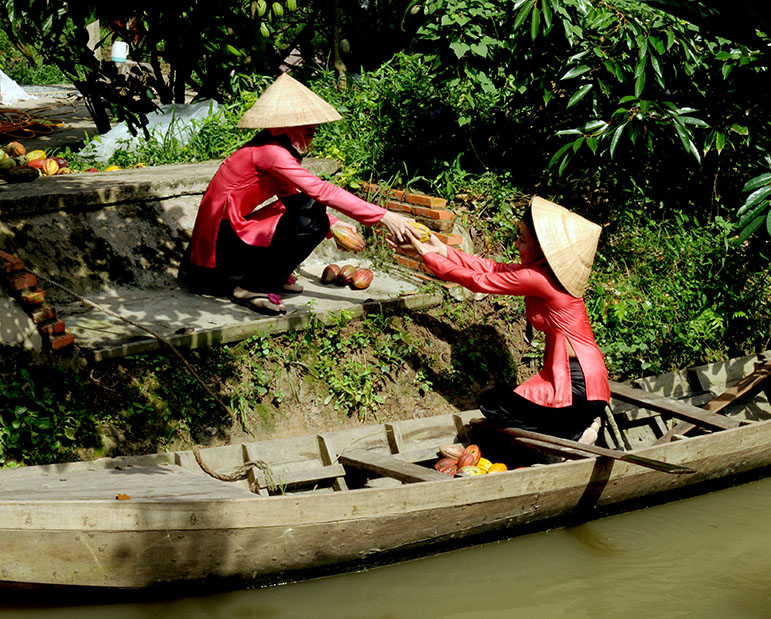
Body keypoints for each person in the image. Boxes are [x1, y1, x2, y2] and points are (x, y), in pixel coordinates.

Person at [181, 72, 417, 314]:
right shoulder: (270, 153)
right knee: (310, 222)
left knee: (314, 213)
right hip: (213, 256)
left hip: (226, 242)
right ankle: (251, 287)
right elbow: (321, 189)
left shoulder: (274, 153)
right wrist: (385, 217)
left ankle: (270, 277)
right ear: (284, 127)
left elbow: (298, 199)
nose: (313, 128)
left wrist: (334, 225)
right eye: (304, 124)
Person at [408, 196, 610, 444]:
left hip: (578, 386)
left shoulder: (540, 279)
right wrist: (444, 251)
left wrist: (427, 255)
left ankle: (578, 432)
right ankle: (578, 425)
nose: (516, 244)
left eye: (522, 239)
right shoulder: (541, 274)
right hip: (588, 384)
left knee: (494, 406)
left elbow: (478, 281)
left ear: (542, 247)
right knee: (498, 403)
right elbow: (493, 268)